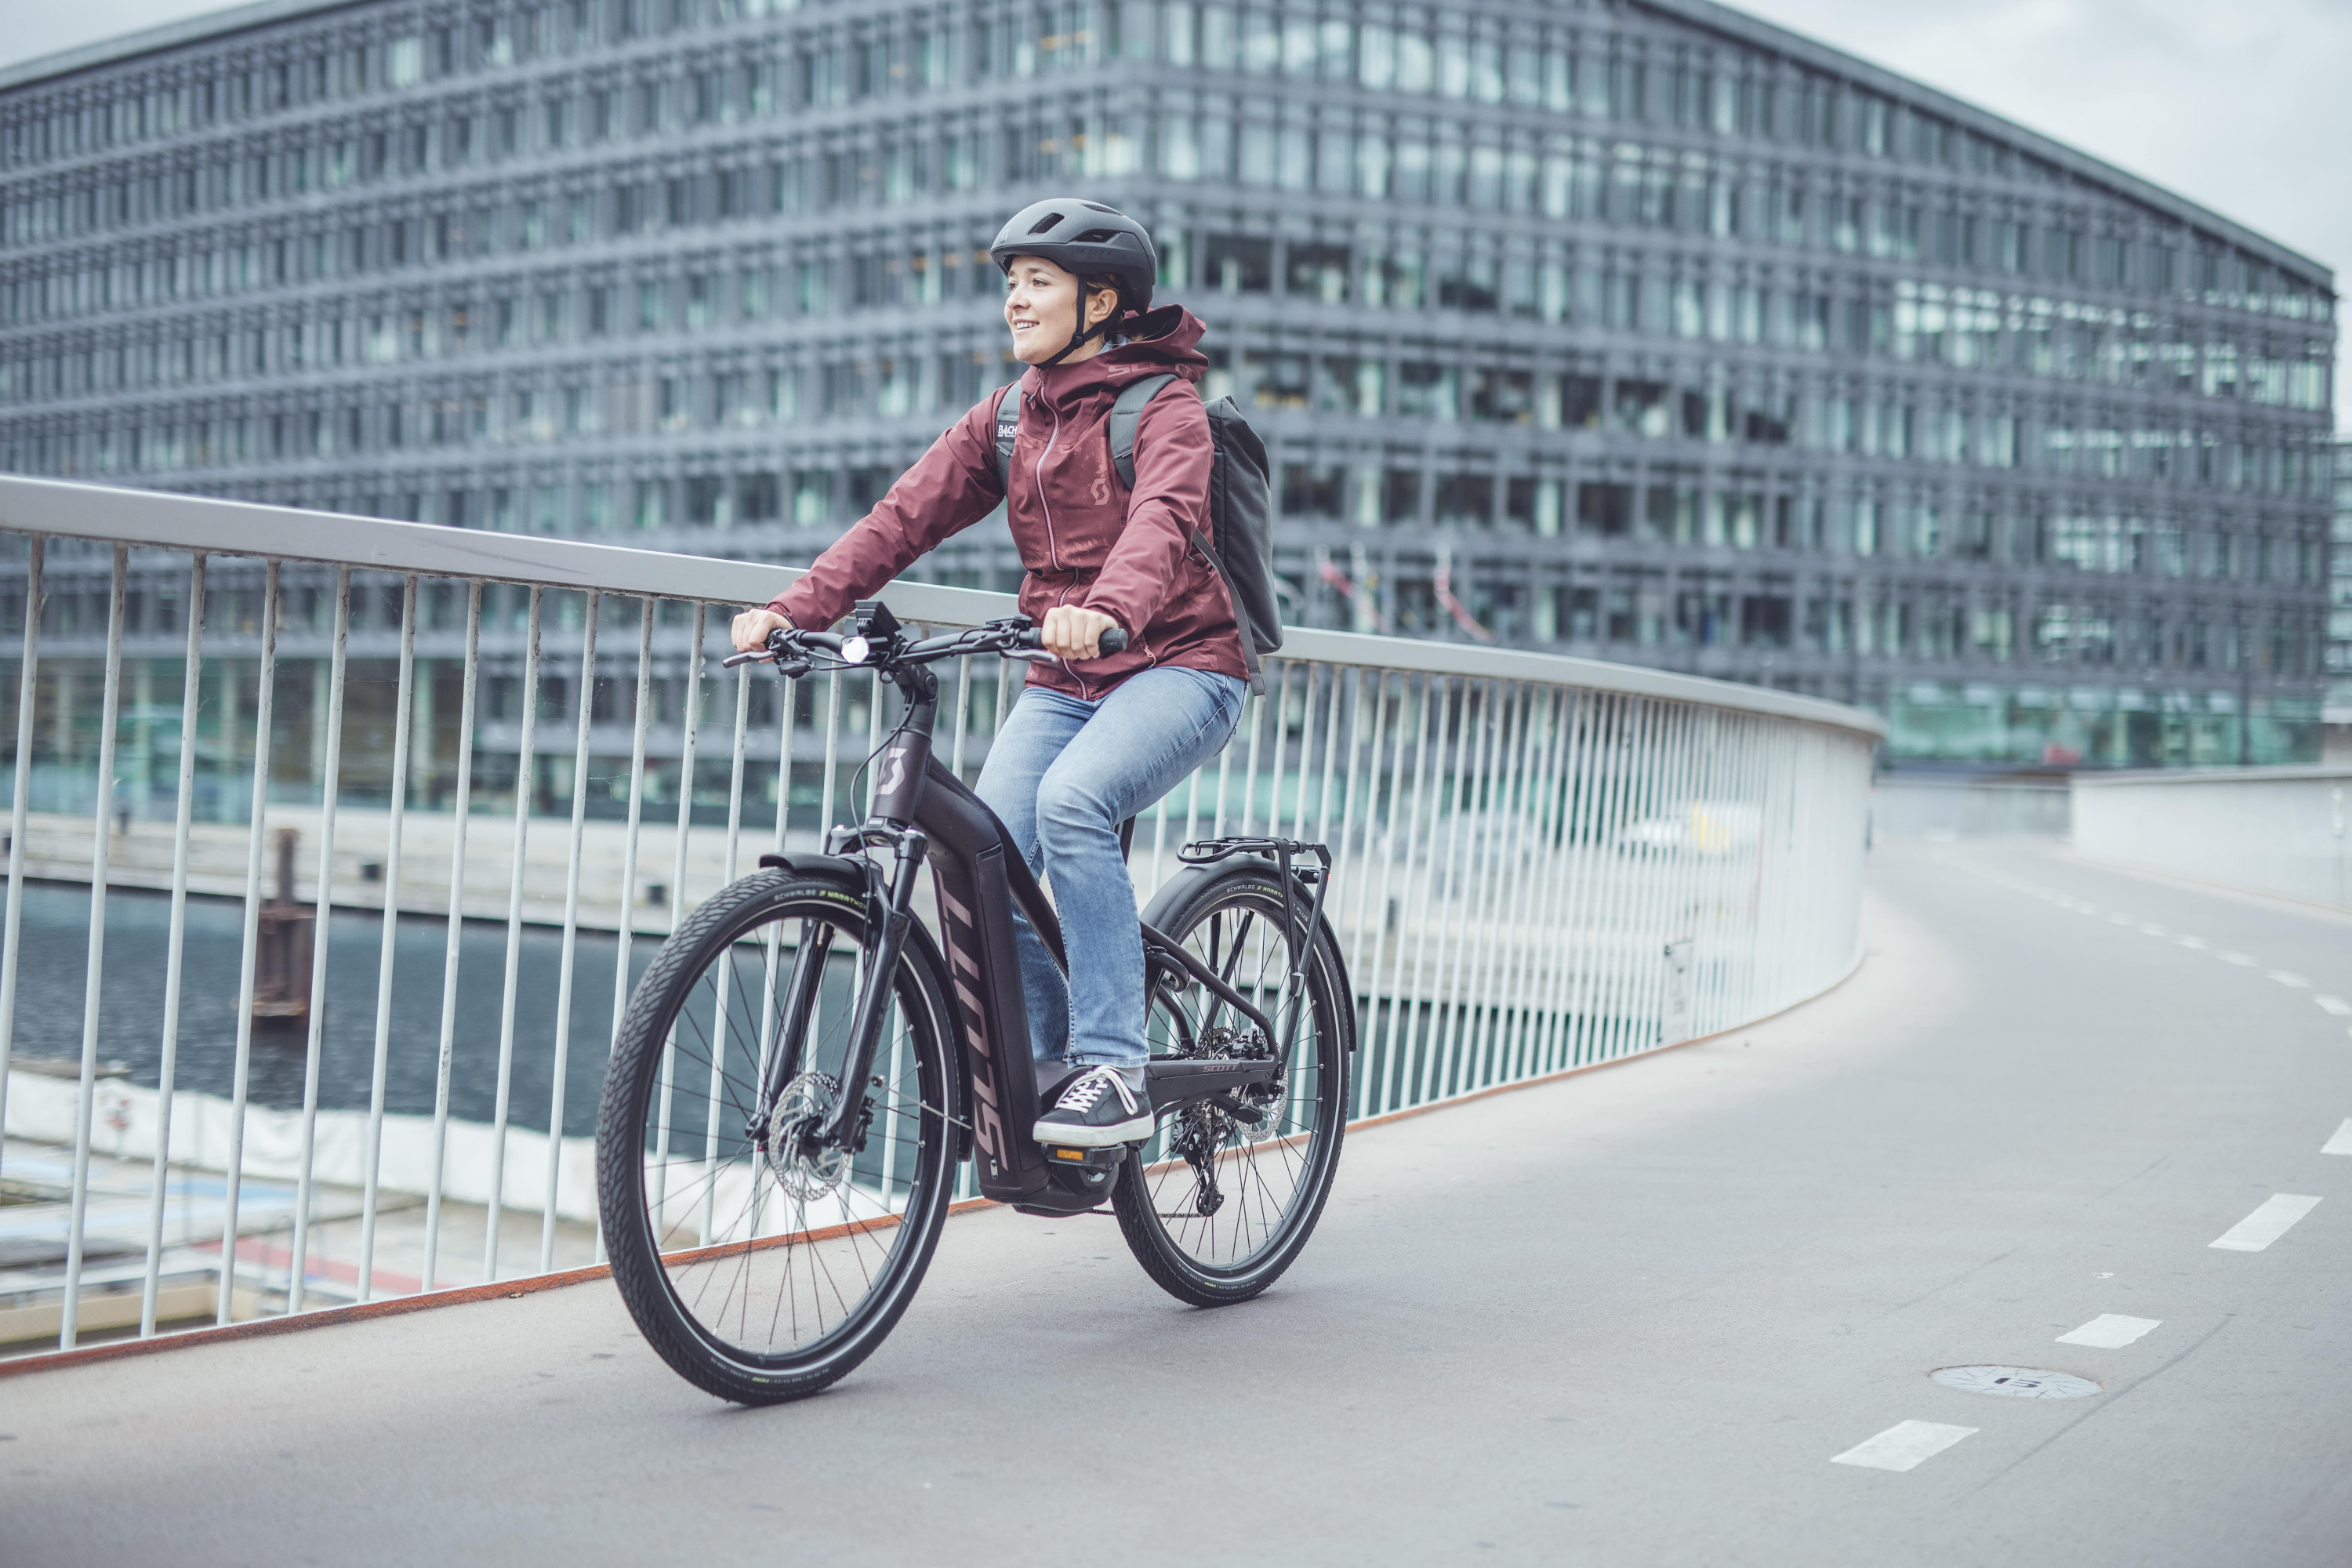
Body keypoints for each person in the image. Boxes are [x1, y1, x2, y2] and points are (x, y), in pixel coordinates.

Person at [730, 199, 1247, 1149]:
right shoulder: (1010, 418)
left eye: (1037, 281)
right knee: (984, 855)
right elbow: (900, 519)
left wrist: (1113, 609)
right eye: (1010, 281)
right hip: (1065, 672)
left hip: (1181, 661)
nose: (1015, 299)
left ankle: (1114, 1064)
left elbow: (1164, 522)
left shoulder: (1163, 406)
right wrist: (794, 609)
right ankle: (1051, 1064)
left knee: (1074, 803)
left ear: (1101, 301)